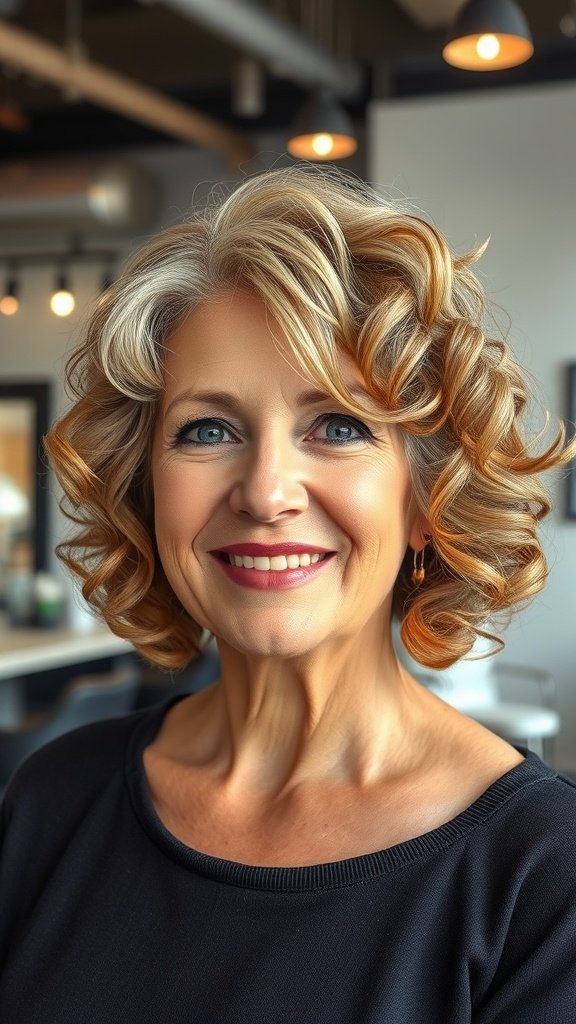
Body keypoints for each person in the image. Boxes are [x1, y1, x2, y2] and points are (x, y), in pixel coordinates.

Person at [1, 164, 575, 1023]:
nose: (267, 492)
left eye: (338, 426)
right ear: (147, 489)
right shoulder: (50, 800)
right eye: (208, 429)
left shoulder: (542, 877)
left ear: (427, 499)